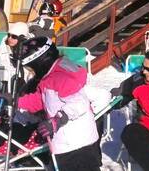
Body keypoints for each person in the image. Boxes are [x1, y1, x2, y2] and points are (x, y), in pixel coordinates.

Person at [13, 37, 102, 170]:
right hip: (68, 144)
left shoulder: (60, 77)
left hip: (76, 146)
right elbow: (41, 100)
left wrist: (57, 120)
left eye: (31, 68)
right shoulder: (51, 76)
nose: (31, 72)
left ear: (41, 62)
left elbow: (79, 103)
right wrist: (15, 101)